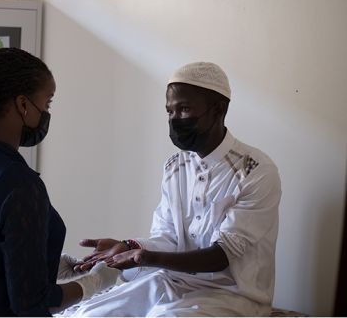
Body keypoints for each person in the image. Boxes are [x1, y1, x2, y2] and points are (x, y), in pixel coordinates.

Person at [62, 61, 282, 317]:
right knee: (86, 314)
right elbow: (169, 238)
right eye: (170, 112)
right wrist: (128, 246)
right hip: (171, 281)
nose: (175, 120)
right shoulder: (175, 167)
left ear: (219, 109)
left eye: (185, 109)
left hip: (232, 295)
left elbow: (222, 256)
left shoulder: (255, 170)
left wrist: (144, 258)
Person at [0, 48, 119, 317]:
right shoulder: (20, 184)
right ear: (23, 105)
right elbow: (32, 304)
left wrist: (49, 265)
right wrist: (96, 282)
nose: (47, 113)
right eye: (47, 104)